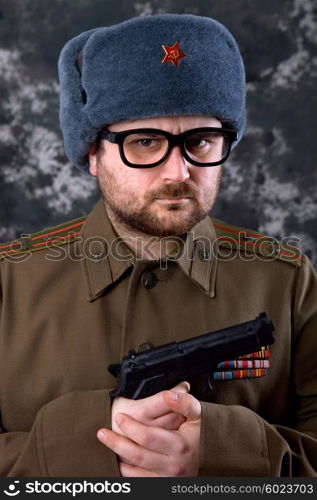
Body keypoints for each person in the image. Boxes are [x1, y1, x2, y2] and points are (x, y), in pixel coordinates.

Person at [0, 13, 316, 478]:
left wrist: (223, 451)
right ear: (92, 153)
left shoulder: (289, 281)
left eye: (201, 141)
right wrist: (97, 439)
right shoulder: (9, 283)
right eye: (145, 142)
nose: (177, 172)